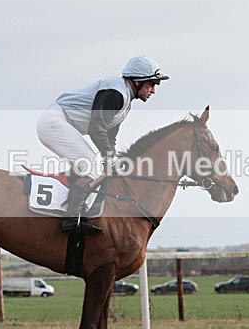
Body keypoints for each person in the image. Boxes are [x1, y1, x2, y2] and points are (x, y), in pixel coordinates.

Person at [36, 55, 169, 234]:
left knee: (95, 168)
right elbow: (96, 127)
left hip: (61, 123)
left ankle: (75, 212)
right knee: (92, 166)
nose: (153, 90)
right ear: (137, 82)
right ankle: (71, 219)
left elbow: (109, 134)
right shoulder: (116, 94)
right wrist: (109, 157)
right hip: (55, 122)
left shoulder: (125, 101)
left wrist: (110, 157)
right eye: (152, 84)